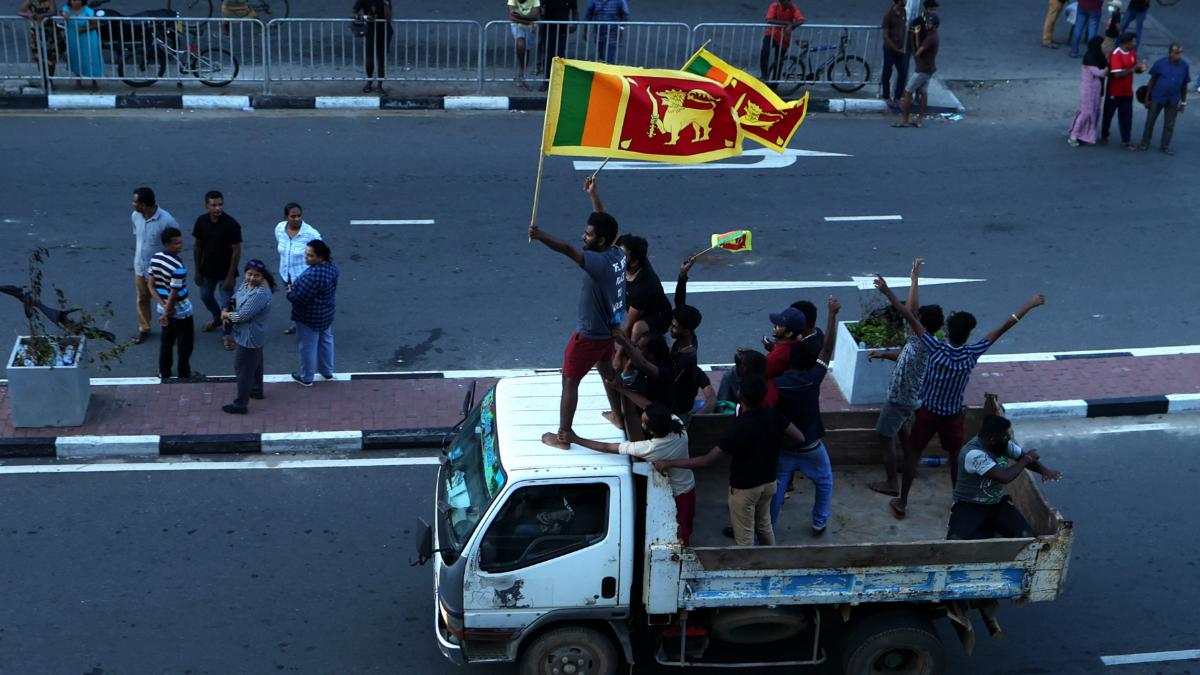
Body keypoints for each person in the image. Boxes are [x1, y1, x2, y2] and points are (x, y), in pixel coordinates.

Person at [875, 275, 1046, 519]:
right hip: (953, 417)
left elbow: (908, 314)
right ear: (967, 335)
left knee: (913, 454)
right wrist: (1030, 304)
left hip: (928, 413)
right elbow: (1006, 325)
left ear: (947, 330)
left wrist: (887, 291)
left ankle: (902, 501)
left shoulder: (935, 346)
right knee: (955, 457)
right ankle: (957, 501)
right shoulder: (972, 352)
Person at [655, 376, 806, 547]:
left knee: (744, 538)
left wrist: (670, 463)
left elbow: (707, 461)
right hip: (769, 482)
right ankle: (770, 561)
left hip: (745, 488)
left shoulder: (738, 427)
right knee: (764, 525)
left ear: (740, 396)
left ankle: (749, 570)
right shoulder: (775, 415)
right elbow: (800, 438)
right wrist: (776, 444)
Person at [528, 209, 626, 450]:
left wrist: (540, 235)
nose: (583, 237)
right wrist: (593, 195)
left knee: (569, 382)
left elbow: (567, 249)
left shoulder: (598, 263)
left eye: (588, 234)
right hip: (607, 332)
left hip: (588, 336)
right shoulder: (617, 253)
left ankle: (564, 436)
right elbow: (603, 217)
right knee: (607, 374)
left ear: (602, 240)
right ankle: (618, 416)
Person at [564, 403, 696, 544]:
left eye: (643, 421)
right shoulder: (678, 426)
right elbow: (648, 404)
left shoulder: (650, 448)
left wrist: (574, 439)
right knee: (687, 523)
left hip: (677, 495)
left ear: (651, 430)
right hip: (689, 485)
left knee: (679, 534)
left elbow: (607, 447)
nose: (640, 421)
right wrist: (622, 390)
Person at [866, 259, 942, 497]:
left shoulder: (920, 339)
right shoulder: (926, 340)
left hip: (900, 398)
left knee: (884, 436)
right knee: (902, 432)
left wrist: (887, 291)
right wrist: (914, 277)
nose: (913, 316)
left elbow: (907, 310)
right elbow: (911, 312)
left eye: (917, 317)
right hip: (912, 398)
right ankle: (911, 466)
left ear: (921, 323)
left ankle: (891, 483)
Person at [771, 296, 840, 536]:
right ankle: (819, 522)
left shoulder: (776, 384)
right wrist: (832, 316)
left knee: (777, 487)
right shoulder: (813, 379)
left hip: (785, 446)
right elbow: (827, 349)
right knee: (824, 482)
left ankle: (767, 527)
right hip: (811, 444)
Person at [947, 416, 1062, 540]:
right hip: (969, 506)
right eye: (1005, 436)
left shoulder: (1003, 444)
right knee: (956, 543)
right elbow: (1004, 477)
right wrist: (1027, 459)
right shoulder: (973, 454)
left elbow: (1021, 456)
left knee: (1025, 537)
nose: (1009, 438)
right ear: (992, 439)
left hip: (997, 503)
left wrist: (1044, 471)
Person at [221, 260, 275, 414]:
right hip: (250, 334)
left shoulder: (260, 294)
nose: (251, 278)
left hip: (249, 336)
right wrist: (227, 309)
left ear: (263, 276)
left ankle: (240, 404)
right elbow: (235, 297)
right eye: (249, 274)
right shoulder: (247, 284)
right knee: (255, 364)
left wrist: (225, 315)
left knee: (243, 370)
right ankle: (256, 390)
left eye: (256, 275)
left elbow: (243, 316)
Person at [192, 190, 243, 352]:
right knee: (205, 296)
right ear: (207, 206)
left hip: (225, 272)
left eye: (220, 204)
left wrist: (230, 276)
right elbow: (198, 246)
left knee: (227, 304)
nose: (218, 208)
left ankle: (227, 333)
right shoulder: (201, 221)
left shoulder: (231, 224)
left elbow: (236, 251)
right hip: (207, 270)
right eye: (214, 205)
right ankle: (217, 318)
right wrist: (197, 271)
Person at [148, 227, 199, 381]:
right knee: (185, 344)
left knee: (166, 342)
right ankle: (184, 372)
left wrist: (162, 307)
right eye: (176, 243)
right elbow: (174, 293)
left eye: (180, 242)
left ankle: (164, 371)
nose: (180, 245)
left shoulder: (155, 258)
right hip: (181, 311)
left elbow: (151, 285)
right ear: (167, 244)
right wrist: (167, 312)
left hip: (163, 308)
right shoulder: (178, 266)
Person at [131, 187, 179, 345]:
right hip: (140, 267)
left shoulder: (166, 220)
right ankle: (144, 328)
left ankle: (173, 327)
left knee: (167, 299)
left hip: (159, 271)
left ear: (144, 205)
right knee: (142, 298)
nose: (133, 204)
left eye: (135, 201)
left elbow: (175, 243)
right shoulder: (135, 216)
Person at [287, 240, 338, 387]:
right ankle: (327, 371)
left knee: (308, 346)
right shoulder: (332, 267)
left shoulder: (312, 276)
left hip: (309, 316)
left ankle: (306, 377)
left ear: (320, 257)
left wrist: (290, 293)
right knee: (326, 340)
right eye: (306, 254)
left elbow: (299, 298)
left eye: (310, 256)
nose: (306, 258)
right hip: (326, 312)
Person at [611, 330, 674, 441]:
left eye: (640, 348)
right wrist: (629, 365)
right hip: (642, 407)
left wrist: (624, 343)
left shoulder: (664, 370)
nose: (636, 350)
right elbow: (625, 379)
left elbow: (642, 364)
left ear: (651, 353)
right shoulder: (641, 361)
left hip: (656, 418)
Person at [274, 202, 321, 335]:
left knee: (306, 304)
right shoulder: (279, 229)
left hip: (304, 278)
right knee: (295, 302)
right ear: (285, 217)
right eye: (293, 216)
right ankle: (299, 324)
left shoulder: (311, 234)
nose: (297, 219)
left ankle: (308, 328)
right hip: (286, 275)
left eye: (299, 216)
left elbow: (321, 255)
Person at [1139, 43, 1190, 155]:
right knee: (1150, 120)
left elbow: (1184, 85)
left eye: (1180, 53)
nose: (1179, 55)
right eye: (1177, 53)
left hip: (1173, 99)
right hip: (1157, 97)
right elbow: (1152, 81)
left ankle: (1165, 145)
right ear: (1170, 53)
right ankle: (1145, 142)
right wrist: (1147, 98)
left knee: (1170, 124)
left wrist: (1183, 102)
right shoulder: (1160, 63)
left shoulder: (1184, 66)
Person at [1101, 32, 1149, 150]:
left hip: (1127, 92)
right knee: (1108, 114)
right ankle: (1104, 135)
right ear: (1126, 43)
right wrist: (1133, 69)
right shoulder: (1116, 54)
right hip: (1114, 91)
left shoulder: (1132, 54)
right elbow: (1117, 74)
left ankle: (1126, 140)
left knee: (1127, 117)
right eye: (1133, 41)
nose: (1135, 43)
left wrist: (1141, 69)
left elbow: (1135, 70)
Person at [893, 13, 939, 129]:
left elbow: (918, 53)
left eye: (930, 24)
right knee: (923, 93)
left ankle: (904, 120)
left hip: (922, 70)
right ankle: (919, 120)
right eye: (927, 23)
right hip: (929, 69)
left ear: (935, 26)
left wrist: (916, 36)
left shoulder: (930, 38)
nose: (927, 25)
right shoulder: (933, 36)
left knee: (908, 92)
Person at [1068, 37, 1111, 147]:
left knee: (1093, 111)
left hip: (1096, 89)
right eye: (1102, 44)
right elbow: (1100, 73)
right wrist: (1108, 66)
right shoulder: (1089, 58)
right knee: (1086, 112)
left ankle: (1082, 134)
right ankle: (1074, 135)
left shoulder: (1097, 56)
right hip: (1088, 89)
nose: (1103, 46)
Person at [353, 0, 393, 94]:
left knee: (382, 60)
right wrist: (364, 17)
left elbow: (389, 18)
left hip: (384, 32)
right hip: (370, 32)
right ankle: (369, 82)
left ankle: (380, 85)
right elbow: (354, 12)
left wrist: (385, 4)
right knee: (369, 59)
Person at [760, 0, 805, 83]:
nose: (790, 2)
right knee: (765, 52)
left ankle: (775, 82)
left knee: (779, 61)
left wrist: (791, 25)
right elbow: (769, 20)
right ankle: (764, 75)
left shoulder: (793, 7)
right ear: (782, 2)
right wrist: (788, 23)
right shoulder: (775, 6)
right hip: (771, 34)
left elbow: (801, 20)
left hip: (784, 38)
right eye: (788, 1)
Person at [61, 0, 100, 91]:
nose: (76, 2)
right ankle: (78, 81)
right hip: (73, 38)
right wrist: (63, 14)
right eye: (73, 0)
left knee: (91, 58)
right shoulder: (67, 9)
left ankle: (94, 81)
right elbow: (62, 12)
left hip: (89, 37)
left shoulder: (88, 10)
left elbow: (95, 24)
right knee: (76, 58)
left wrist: (84, 29)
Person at [539, 0, 577, 91]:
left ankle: (559, 82)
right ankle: (546, 81)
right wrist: (541, 20)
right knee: (548, 56)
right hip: (548, 29)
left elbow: (575, 10)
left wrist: (575, 24)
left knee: (560, 56)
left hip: (562, 29)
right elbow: (539, 8)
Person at [19, 0, 59, 79]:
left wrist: (43, 15)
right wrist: (29, 15)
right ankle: (44, 78)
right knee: (39, 57)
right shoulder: (30, 1)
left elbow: (53, 12)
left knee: (51, 57)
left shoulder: (50, 1)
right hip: (36, 32)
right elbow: (21, 12)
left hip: (49, 32)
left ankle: (50, 79)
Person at [764, 306, 806, 379]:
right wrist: (774, 348)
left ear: (788, 334)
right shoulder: (797, 341)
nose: (774, 326)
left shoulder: (773, 358)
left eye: (779, 325)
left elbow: (761, 376)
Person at [508, 0, 541, 89]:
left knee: (527, 50)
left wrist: (520, 16)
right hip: (518, 25)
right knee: (521, 45)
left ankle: (521, 75)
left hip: (531, 28)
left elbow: (536, 15)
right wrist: (528, 21)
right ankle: (521, 71)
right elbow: (512, 18)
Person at [582, 0, 629, 65]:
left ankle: (610, 69)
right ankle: (603, 69)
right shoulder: (593, 1)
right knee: (601, 56)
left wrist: (621, 28)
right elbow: (588, 15)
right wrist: (585, 31)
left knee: (610, 57)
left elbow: (625, 14)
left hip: (613, 32)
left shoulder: (620, 1)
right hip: (598, 32)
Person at [881, 0, 908, 108]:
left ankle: (897, 98)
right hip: (890, 49)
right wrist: (896, 48)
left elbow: (904, 27)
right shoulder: (888, 16)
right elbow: (885, 36)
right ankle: (886, 96)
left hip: (900, 49)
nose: (905, 1)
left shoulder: (903, 11)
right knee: (887, 72)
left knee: (903, 71)